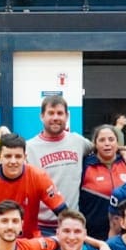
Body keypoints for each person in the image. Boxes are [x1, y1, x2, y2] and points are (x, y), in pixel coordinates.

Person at [0, 133, 67, 242]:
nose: (13, 161)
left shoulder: (38, 177)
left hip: (28, 241)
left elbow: (62, 211)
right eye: (8, 156)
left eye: (18, 156)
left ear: (25, 157)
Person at [26, 95, 92, 236]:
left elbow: (103, 149)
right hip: (41, 226)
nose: (55, 117)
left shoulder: (78, 141)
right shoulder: (29, 148)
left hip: (71, 225)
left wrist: (123, 152)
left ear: (67, 116)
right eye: (51, 113)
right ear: (42, 116)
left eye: (60, 113)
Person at [78, 124, 126, 242]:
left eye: (111, 139)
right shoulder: (85, 165)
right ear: (95, 144)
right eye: (102, 140)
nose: (107, 143)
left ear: (117, 143)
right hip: (93, 235)